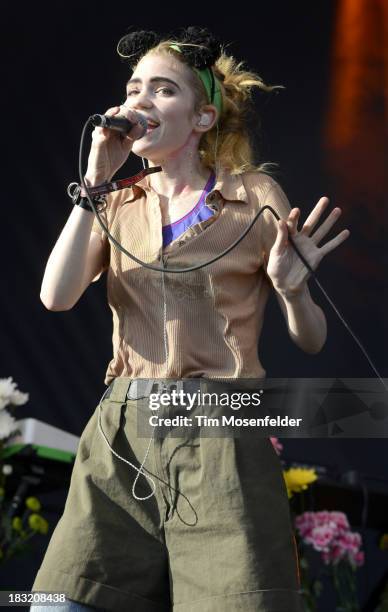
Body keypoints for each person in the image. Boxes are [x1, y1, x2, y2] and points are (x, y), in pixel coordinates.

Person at [31, 27, 349, 612]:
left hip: (221, 427)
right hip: (123, 425)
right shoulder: (117, 202)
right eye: (133, 88)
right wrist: (95, 186)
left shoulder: (253, 197)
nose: (139, 102)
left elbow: (312, 339)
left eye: (162, 90)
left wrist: (292, 291)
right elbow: (56, 295)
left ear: (201, 119)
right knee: (59, 598)